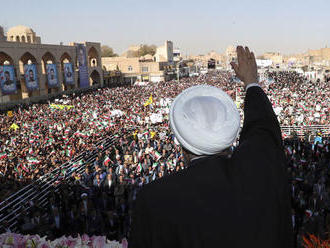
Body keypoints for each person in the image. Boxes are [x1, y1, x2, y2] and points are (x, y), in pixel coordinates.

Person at [129, 46, 293, 247]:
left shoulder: (155, 200)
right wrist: (251, 82)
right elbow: (264, 131)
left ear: (182, 143)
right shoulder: (261, 175)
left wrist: (251, 83)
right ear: (228, 133)